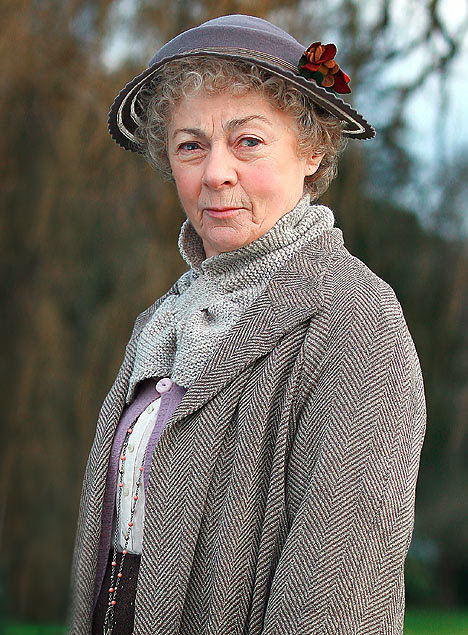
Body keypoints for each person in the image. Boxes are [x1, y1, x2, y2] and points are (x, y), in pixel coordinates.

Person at [68, 14, 426, 635]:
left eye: (249, 141)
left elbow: (338, 599)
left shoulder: (355, 318)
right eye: (190, 145)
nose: (216, 173)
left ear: (312, 151)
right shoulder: (162, 322)